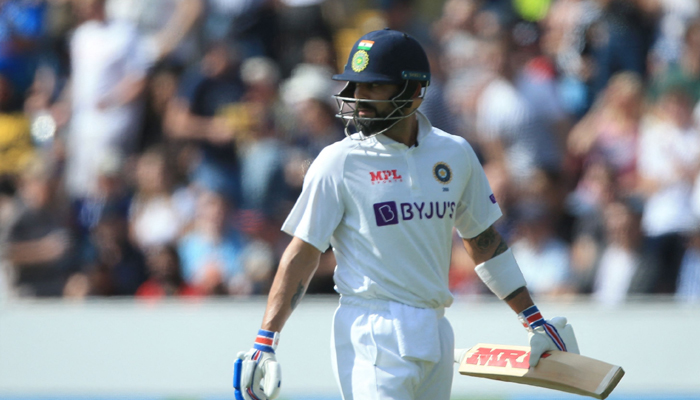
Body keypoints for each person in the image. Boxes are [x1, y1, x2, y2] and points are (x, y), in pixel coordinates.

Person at [233, 29, 580, 400]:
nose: (357, 98)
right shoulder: (338, 161)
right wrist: (265, 340)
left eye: (373, 87)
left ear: (414, 92)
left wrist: (533, 321)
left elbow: (484, 242)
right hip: (371, 330)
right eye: (355, 85)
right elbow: (302, 253)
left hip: (436, 329)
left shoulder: (455, 154)